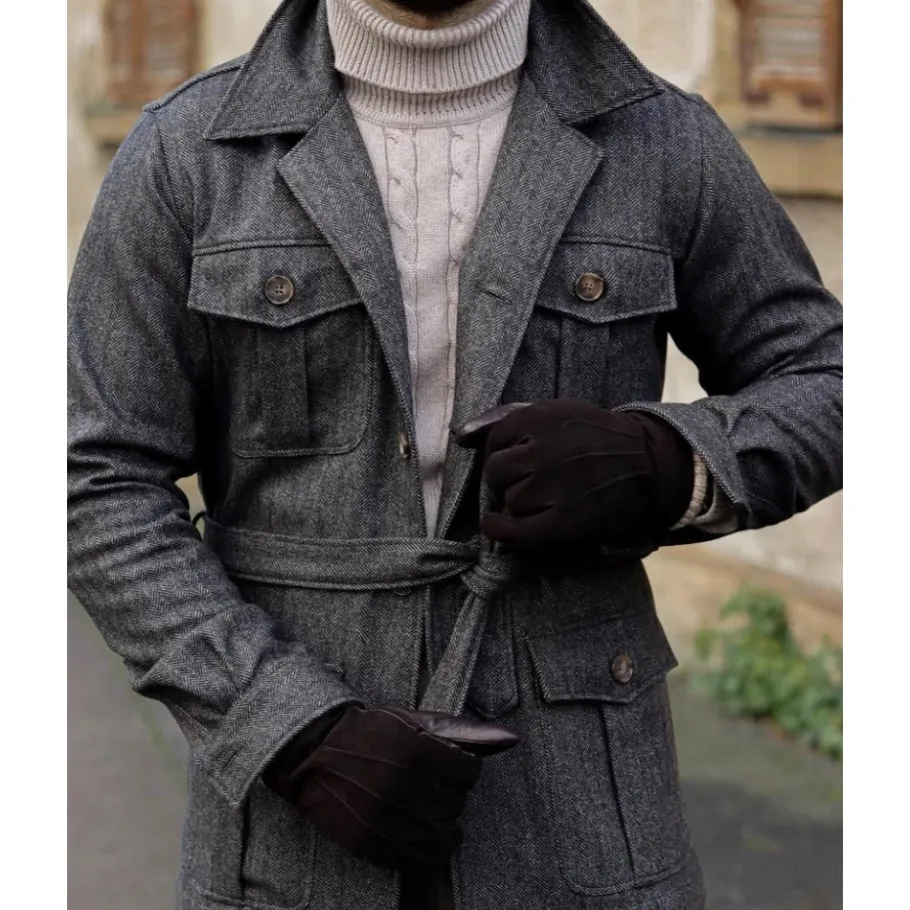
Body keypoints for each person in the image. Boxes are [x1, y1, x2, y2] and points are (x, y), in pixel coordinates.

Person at [67, 0, 843, 908]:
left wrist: (668, 461)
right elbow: (95, 477)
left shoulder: (663, 142)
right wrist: (287, 727)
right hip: (289, 829)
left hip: (588, 813)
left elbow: (828, 379)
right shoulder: (188, 152)